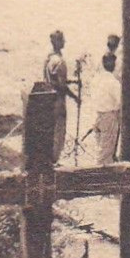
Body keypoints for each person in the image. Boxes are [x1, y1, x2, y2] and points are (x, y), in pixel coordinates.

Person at [43, 31, 75, 162]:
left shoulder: (49, 58)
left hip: (49, 98)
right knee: (59, 132)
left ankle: (50, 160)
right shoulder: (59, 61)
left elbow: (53, 79)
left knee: (52, 130)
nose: (64, 42)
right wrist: (75, 97)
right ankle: (54, 161)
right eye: (62, 40)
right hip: (58, 101)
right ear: (57, 42)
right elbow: (61, 86)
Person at [87, 52, 123, 165]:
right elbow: (120, 102)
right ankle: (99, 177)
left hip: (97, 115)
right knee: (106, 152)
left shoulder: (95, 80)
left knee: (100, 148)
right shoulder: (113, 82)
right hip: (109, 116)